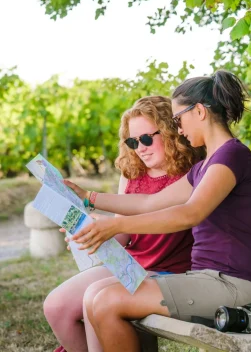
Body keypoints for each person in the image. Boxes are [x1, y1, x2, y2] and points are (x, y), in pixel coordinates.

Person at [66, 70, 251, 352]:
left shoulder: (231, 156)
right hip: (205, 278)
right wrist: (88, 197)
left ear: (200, 112)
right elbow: (147, 202)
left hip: (232, 283)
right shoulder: (204, 167)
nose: (178, 129)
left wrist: (116, 226)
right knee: (95, 293)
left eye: (179, 119)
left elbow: (190, 214)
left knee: (107, 301)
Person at [44, 95, 202, 352]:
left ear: (171, 132)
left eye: (148, 138)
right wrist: (90, 232)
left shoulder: (191, 175)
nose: (141, 148)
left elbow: (164, 216)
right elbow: (123, 235)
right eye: (133, 141)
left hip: (171, 270)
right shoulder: (132, 173)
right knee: (55, 306)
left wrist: (105, 220)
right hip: (132, 264)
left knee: (93, 299)